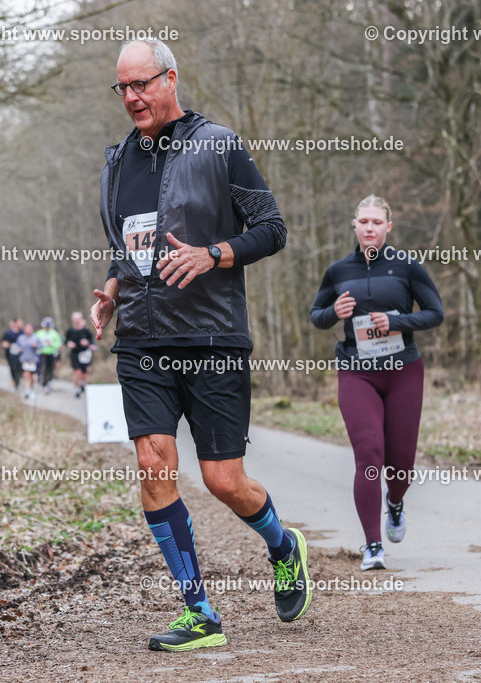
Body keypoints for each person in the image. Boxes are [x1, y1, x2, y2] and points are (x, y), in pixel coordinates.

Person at [90, 39, 308, 653]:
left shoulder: (219, 145)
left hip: (211, 336)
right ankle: (199, 611)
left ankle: (282, 544)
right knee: (154, 467)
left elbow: (272, 229)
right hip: (140, 340)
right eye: (123, 89)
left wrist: (214, 253)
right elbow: (126, 245)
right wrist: (111, 289)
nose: (132, 97)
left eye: (142, 84)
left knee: (222, 480)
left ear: (171, 79)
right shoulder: (116, 163)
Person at [309, 195, 444, 571]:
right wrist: (333, 312)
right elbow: (316, 315)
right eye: (363, 221)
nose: (370, 228)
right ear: (354, 225)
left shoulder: (407, 268)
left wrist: (397, 321)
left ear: (389, 227)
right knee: (368, 454)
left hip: (403, 370)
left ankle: (395, 503)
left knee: (400, 465)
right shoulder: (338, 271)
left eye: (377, 222)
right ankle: (372, 545)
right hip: (357, 370)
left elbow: (436, 314)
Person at [65, 311, 96, 398]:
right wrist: (69, 343)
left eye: (79, 319)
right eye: (76, 319)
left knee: (85, 373)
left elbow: (92, 340)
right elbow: (65, 341)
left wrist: (87, 343)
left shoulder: (85, 330)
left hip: (85, 354)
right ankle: (78, 390)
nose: (78, 321)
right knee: (77, 372)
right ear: (72, 320)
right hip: (75, 353)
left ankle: (83, 385)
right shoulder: (70, 331)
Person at [33, 317, 63, 394]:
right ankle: (43, 381)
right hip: (42, 354)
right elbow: (34, 342)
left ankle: (48, 382)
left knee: (50, 369)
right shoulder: (39, 333)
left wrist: (51, 343)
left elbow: (59, 344)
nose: (47, 327)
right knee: (43, 368)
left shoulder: (54, 333)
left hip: (51, 354)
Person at [15, 323, 40, 399]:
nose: (28, 331)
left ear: (32, 330)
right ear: (24, 330)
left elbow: (41, 348)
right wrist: (18, 350)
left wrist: (37, 346)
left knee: (32, 377)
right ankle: (27, 391)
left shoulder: (36, 338)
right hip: (24, 360)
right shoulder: (20, 338)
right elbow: (16, 347)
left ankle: (31, 389)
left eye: (30, 329)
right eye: (27, 329)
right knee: (26, 375)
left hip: (33, 360)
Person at [1, 319, 23, 389]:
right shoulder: (8, 333)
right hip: (10, 354)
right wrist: (6, 345)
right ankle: (15, 381)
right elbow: (3, 342)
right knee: (13, 368)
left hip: (20, 354)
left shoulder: (22, 332)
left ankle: (18, 378)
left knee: (20, 368)